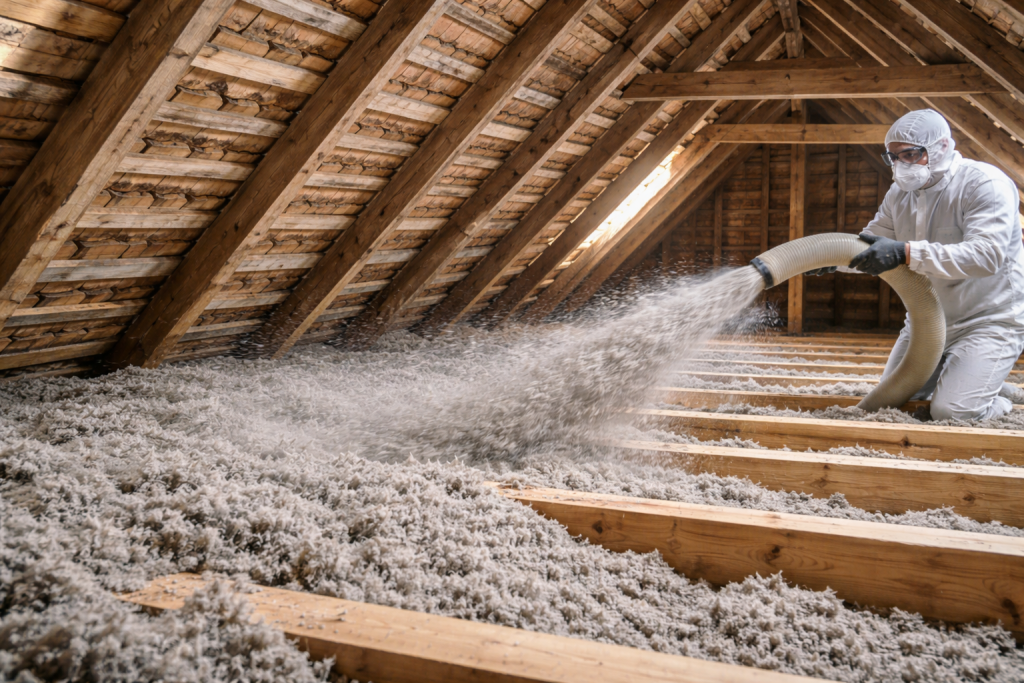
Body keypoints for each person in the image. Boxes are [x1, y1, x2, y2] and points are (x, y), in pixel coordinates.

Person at [834, 109, 1024, 420]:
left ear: (943, 147)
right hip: (927, 320)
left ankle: (997, 401)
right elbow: (873, 242)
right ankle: (975, 380)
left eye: (909, 154)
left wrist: (905, 252)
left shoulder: (984, 184)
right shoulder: (899, 194)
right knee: (890, 401)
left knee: (952, 412)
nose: (900, 166)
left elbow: (986, 256)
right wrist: (834, 258)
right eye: (893, 158)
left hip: (988, 321)